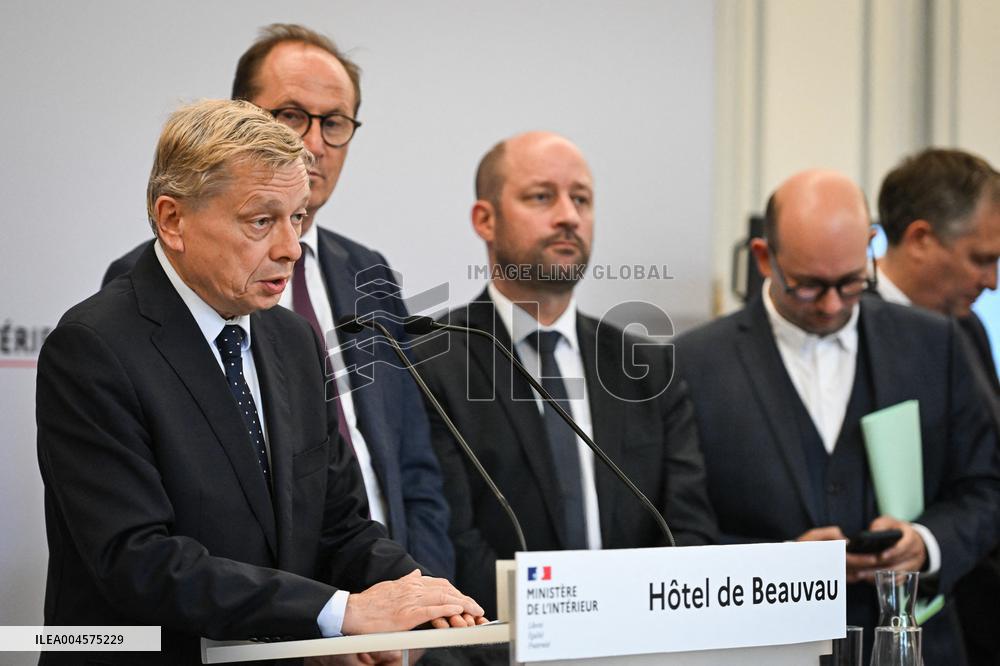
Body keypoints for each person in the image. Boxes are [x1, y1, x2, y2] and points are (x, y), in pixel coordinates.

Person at [36, 100, 484, 666]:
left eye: (297, 218)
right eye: (260, 221)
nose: (290, 248)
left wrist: (419, 598)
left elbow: (338, 523)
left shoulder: (292, 339)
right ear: (173, 219)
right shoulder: (94, 347)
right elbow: (139, 560)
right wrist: (339, 614)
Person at [102, 24, 453, 579]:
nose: (311, 144)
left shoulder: (367, 274)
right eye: (290, 116)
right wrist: (325, 618)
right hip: (244, 614)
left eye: (333, 122)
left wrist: (418, 599)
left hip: (373, 593)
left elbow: (410, 466)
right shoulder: (140, 295)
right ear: (239, 117)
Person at [674, 169, 1000, 664]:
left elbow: (985, 486)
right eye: (808, 286)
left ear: (871, 245)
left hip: (920, 647)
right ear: (764, 259)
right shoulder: (693, 365)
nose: (831, 306)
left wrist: (926, 543)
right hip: (765, 650)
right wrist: (779, 569)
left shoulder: (936, 344)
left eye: (850, 283)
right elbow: (675, 531)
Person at [412, 131, 718, 618]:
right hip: (498, 645)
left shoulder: (647, 367)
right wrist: (557, 627)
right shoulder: (430, 364)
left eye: (581, 199)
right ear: (484, 219)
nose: (569, 216)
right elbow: (450, 538)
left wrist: (631, 626)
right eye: (541, 197)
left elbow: (688, 527)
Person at [875, 148, 1000, 665]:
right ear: (922, 239)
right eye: (982, 259)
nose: (991, 281)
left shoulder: (966, 328)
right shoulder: (843, 331)